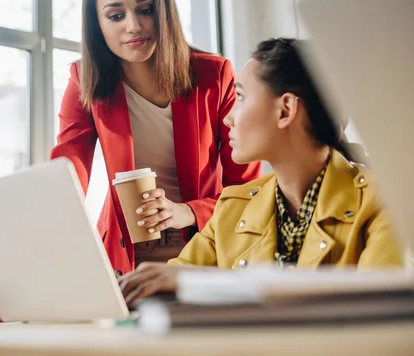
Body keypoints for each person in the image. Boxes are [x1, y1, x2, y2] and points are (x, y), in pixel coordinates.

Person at [118, 37, 404, 304]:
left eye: (240, 97)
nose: (228, 118)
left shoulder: (387, 200)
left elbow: (380, 303)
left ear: (285, 110)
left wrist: (213, 282)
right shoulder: (232, 209)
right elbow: (168, 286)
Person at [50, 0, 261, 275]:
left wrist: (186, 212)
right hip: (125, 264)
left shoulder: (213, 76)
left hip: (206, 255)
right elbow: (67, 170)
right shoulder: (85, 82)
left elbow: (249, 189)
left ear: (164, 12)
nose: (132, 26)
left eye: (145, 10)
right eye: (116, 15)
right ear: (98, 25)